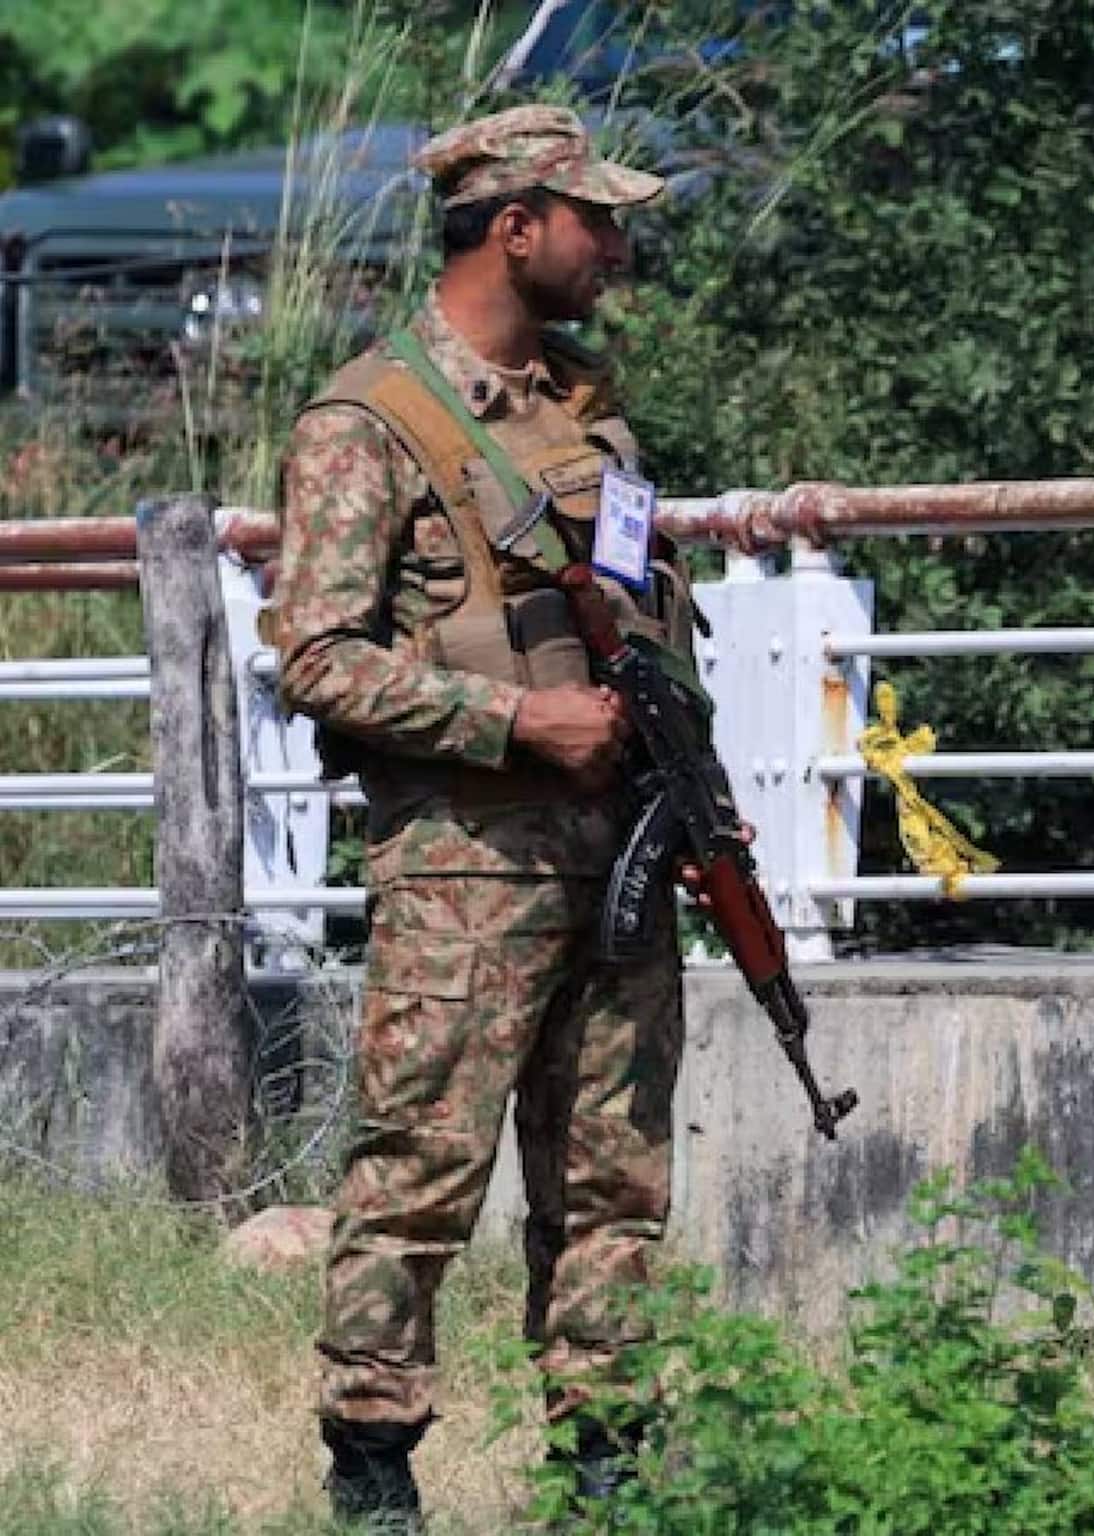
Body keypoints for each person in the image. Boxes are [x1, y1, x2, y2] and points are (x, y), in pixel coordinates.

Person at [270, 105, 692, 1527]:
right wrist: (516, 720)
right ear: (514, 227)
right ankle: (375, 1470)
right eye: (598, 221)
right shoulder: (366, 422)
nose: (620, 247)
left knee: (614, 1181)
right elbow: (316, 656)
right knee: (419, 1176)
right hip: (466, 872)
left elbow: (639, 621)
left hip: (620, 857)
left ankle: (608, 1466)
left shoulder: (587, 407)